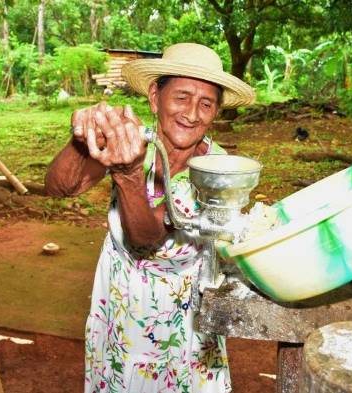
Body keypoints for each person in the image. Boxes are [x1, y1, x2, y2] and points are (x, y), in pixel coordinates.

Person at [45, 43, 255, 393]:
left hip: (180, 326)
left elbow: (146, 239)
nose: (192, 113)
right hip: (119, 312)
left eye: (206, 104)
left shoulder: (215, 172)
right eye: (182, 97)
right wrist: (82, 139)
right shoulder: (133, 143)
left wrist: (127, 175)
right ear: (155, 97)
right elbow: (59, 187)